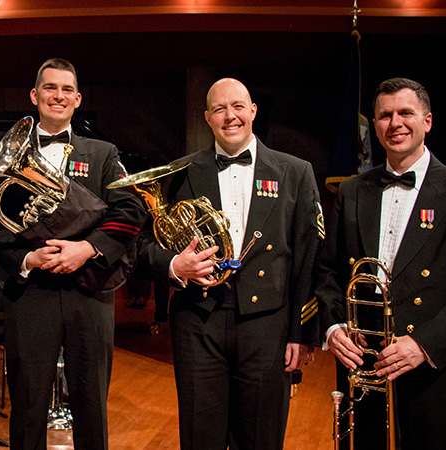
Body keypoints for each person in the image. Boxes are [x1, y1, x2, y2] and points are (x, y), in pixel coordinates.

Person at [316, 77, 446, 450]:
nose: (395, 123)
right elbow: (327, 273)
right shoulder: (352, 191)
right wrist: (334, 326)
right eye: (385, 115)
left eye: (406, 113)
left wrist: (422, 344)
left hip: (431, 370)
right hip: (364, 366)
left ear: (428, 121)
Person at [137, 78, 321, 450]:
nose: (229, 116)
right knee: (199, 437)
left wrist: (302, 333)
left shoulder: (296, 171)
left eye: (237, 106)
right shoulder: (180, 171)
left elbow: (308, 257)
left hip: (267, 326)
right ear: (207, 117)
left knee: (260, 438)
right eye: (219, 109)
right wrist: (175, 265)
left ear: (253, 111)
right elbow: (141, 245)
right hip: (198, 324)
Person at [0, 58, 146, 450]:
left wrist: (87, 248)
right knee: (28, 400)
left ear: (77, 98)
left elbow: (131, 211)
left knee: (91, 401)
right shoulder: (8, 152)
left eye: (66, 89)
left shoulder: (103, 153)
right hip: (30, 292)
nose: (58, 96)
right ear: (35, 96)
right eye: (50, 88)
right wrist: (26, 260)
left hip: (89, 291)